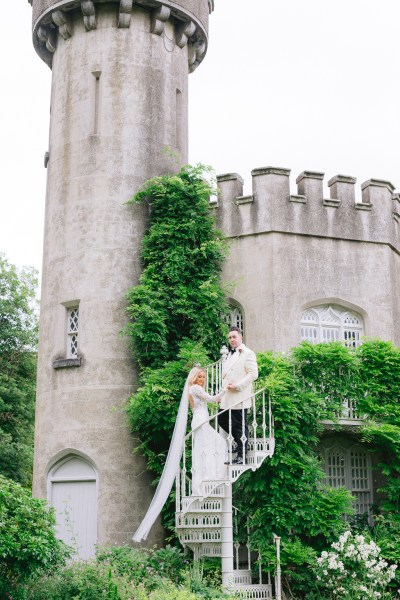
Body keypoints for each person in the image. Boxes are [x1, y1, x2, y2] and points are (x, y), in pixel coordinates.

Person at [218, 326, 258, 465]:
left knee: (240, 426)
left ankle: (241, 456)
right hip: (227, 397)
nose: (231, 340)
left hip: (239, 396)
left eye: (234, 337)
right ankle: (240, 442)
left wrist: (238, 386)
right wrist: (221, 396)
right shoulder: (230, 354)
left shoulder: (248, 353)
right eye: (229, 337)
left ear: (241, 337)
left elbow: (253, 374)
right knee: (221, 419)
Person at [188, 366, 228, 495]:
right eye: (199, 377)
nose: (201, 379)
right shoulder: (196, 388)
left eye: (203, 377)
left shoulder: (192, 390)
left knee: (205, 449)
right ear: (194, 378)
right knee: (217, 444)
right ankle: (209, 478)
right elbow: (211, 399)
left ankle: (207, 479)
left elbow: (195, 408)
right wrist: (225, 390)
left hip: (199, 419)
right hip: (201, 421)